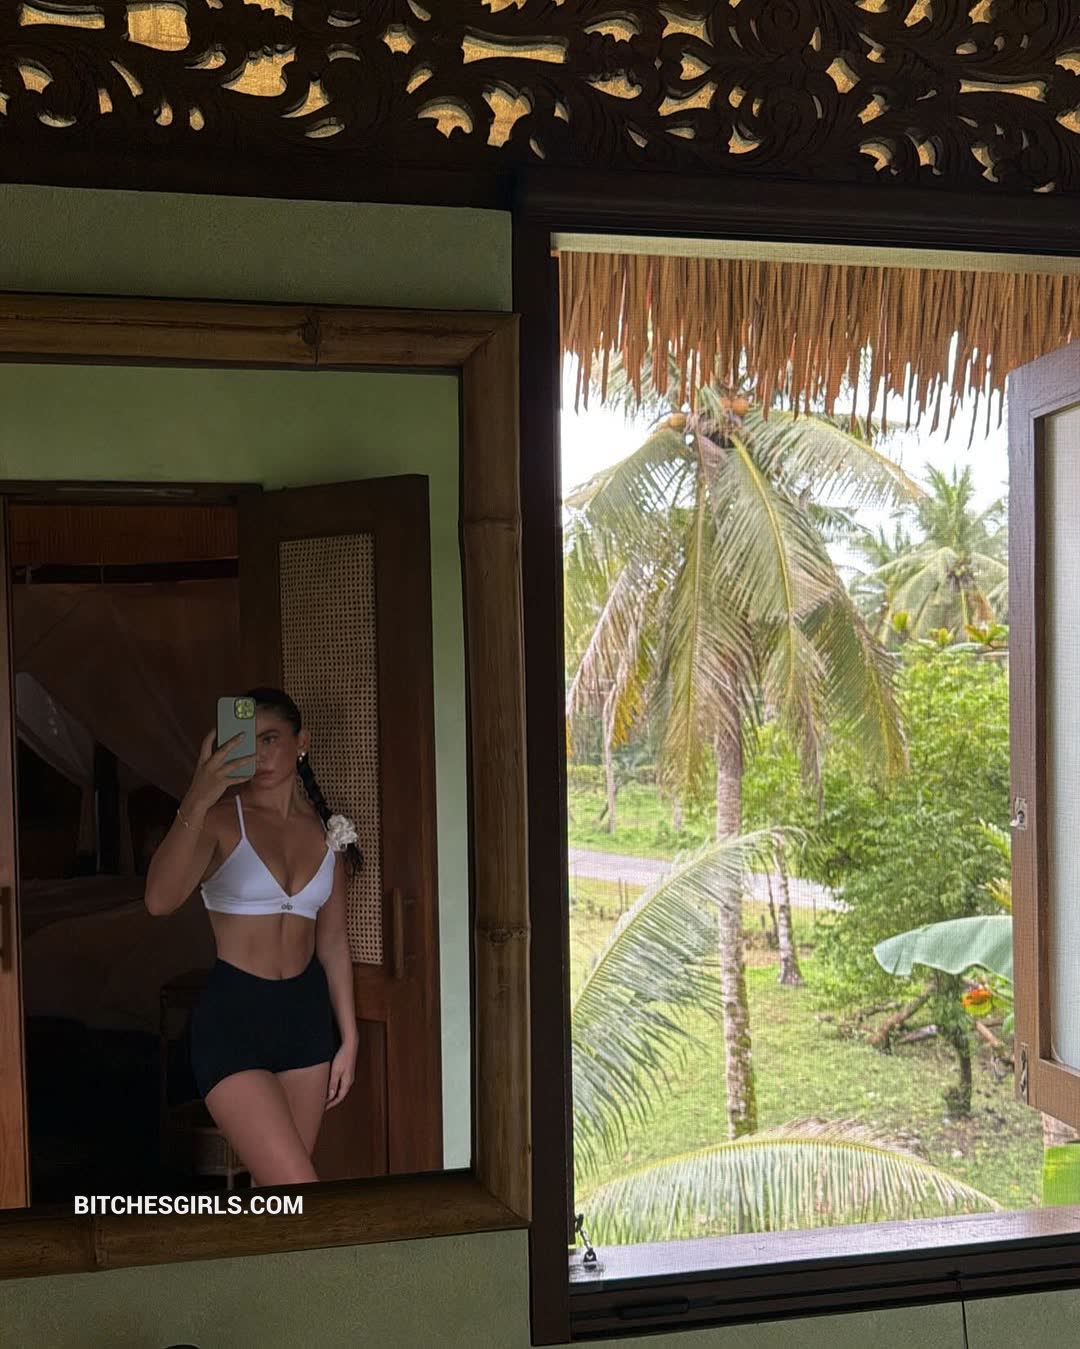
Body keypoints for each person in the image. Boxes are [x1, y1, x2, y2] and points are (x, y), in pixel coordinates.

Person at [145, 687, 362, 1188]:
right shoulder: (218, 821)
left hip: (306, 1023)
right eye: (248, 740)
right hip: (234, 1022)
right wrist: (200, 792)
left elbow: (332, 943)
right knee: (297, 1191)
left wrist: (349, 1038)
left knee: (275, 1202)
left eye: (271, 739)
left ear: (301, 742)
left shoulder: (328, 832)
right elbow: (158, 901)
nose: (260, 755)